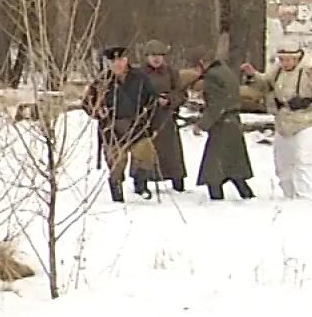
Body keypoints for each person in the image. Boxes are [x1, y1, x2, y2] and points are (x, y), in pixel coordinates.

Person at [240, 47, 312, 200]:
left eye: (288, 59)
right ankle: (289, 195)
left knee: (304, 158)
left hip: (307, 121)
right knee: (283, 162)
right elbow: (265, 84)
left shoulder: (310, 70)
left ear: (297, 58)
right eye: (282, 59)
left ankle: (306, 196)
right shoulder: (277, 71)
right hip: (283, 122)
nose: (285, 63)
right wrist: (253, 75)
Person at [83, 45, 161, 202]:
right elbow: (87, 103)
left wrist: (152, 125)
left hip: (137, 126)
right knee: (116, 163)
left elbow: (153, 101)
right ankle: (117, 195)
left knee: (146, 156)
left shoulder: (140, 78)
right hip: (112, 129)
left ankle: (141, 183)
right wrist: (98, 112)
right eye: (114, 61)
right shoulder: (102, 81)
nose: (118, 64)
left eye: (122, 60)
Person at [190, 52, 255, 201]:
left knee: (214, 167)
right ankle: (246, 195)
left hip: (222, 125)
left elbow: (217, 105)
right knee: (233, 164)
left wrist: (202, 124)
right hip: (232, 122)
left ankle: (216, 199)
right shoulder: (225, 70)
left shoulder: (212, 76)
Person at [137, 39, 193, 193]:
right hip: (146, 118)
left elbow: (182, 94)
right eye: (153, 55)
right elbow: (134, 94)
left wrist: (169, 100)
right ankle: (141, 182)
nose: (157, 59)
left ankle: (177, 182)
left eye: (160, 55)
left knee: (172, 153)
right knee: (144, 151)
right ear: (146, 56)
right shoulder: (139, 74)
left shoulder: (172, 73)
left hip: (167, 118)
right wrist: (153, 100)